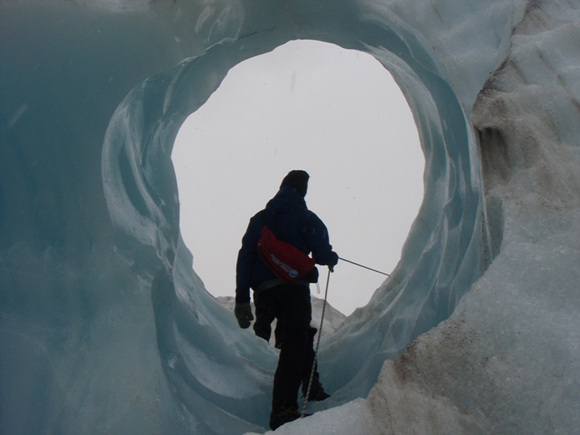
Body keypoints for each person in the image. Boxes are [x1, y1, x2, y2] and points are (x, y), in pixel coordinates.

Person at [234, 170, 339, 430]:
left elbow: (246, 255)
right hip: (293, 288)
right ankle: (284, 408)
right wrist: (332, 259)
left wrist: (241, 297)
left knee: (294, 335)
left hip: (264, 292)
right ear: (302, 191)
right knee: (297, 340)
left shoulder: (260, 219)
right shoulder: (307, 218)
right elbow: (323, 253)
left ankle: (309, 386)